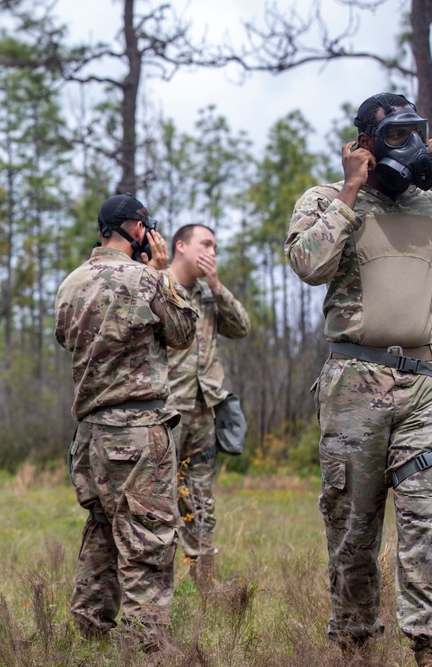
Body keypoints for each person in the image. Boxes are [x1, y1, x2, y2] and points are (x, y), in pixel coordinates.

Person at [286, 92, 432, 666]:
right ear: (363, 142)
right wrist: (351, 190)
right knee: (353, 525)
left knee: (431, 522)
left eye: (413, 133)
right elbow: (308, 265)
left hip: (427, 384)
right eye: (392, 134)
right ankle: (355, 644)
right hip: (355, 381)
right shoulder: (327, 200)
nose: (405, 144)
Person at [54, 193, 197, 651]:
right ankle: (144, 646)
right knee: (149, 540)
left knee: (102, 528)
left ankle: (89, 631)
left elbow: (65, 338)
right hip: (137, 431)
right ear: (137, 229)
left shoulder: (70, 283)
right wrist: (161, 274)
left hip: (90, 434)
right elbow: (182, 332)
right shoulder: (144, 279)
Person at [165, 224, 250, 586]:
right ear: (180, 246)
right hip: (164, 411)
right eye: (206, 244)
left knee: (200, 497)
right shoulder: (158, 286)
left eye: (215, 246)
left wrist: (217, 286)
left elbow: (241, 327)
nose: (212, 252)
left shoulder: (208, 295)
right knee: (157, 496)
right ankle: (154, 584)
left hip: (204, 410)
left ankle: (205, 583)